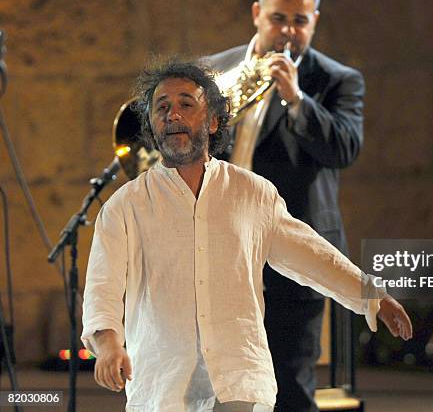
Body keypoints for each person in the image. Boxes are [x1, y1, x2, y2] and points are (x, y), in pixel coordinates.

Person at [81, 59, 411, 412]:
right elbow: (103, 290)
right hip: (163, 386)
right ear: (152, 126)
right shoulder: (124, 206)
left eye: (185, 105)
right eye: (162, 108)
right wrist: (109, 345)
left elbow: (312, 255)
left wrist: (372, 297)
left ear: (211, 121)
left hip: (240, 380)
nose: (172, 114)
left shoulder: (252, 194)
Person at [204, 0, 365, 410]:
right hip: (221, 249)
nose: (288, 31)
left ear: (314, 21)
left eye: (300, 21)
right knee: (219, 386)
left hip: (291, 252)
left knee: (289, 385)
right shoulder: (214, 70)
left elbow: (344, 148)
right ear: (258, 13)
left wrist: (297, 99)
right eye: (278, 18)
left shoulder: (336, 80)